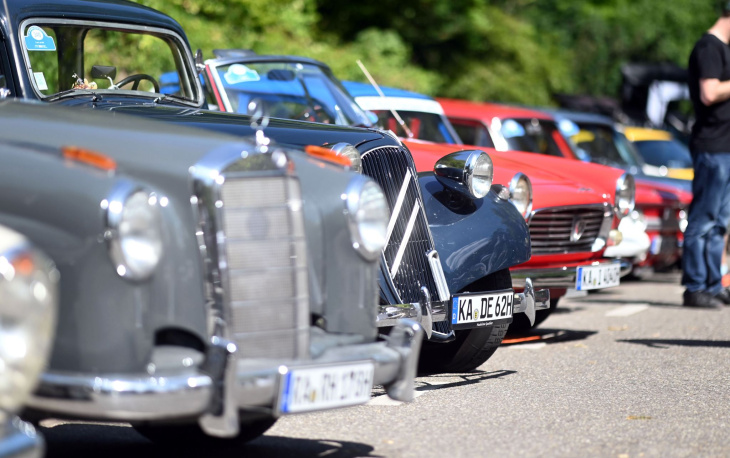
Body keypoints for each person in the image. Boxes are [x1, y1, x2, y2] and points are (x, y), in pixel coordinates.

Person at [683, 1, 730, 308]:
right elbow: (709, 92)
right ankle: (695, 286)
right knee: (704, 219)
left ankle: (713, 284)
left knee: (721, 222)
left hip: (725, 147)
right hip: (712, 147)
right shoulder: (708, 47)